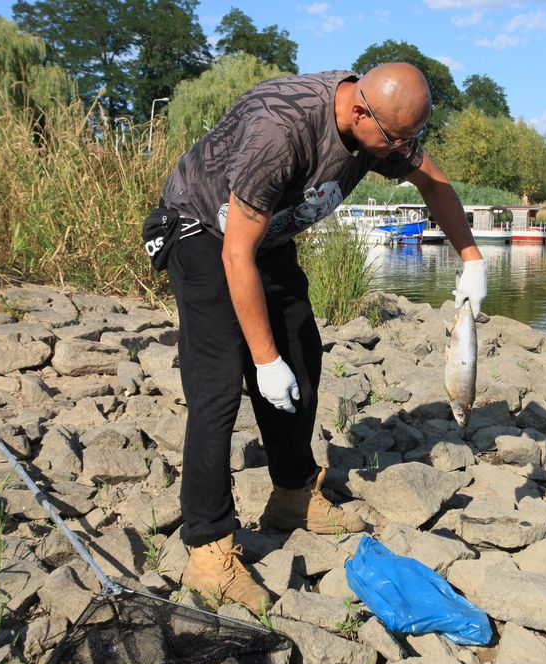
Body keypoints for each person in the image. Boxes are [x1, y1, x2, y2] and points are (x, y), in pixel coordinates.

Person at [141, 62, 487, 610]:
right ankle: (207, 548)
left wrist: (471, 258)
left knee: (301, 357)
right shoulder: (280, 130)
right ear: (357, 111)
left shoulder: (380, 123)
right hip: (203, 233)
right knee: (218, 385)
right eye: (395, 140)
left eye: (409, 139)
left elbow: (433, 181)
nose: (401, 151)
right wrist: (261, 358)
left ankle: (292, 496)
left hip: (265, 240)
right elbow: (236, 254)